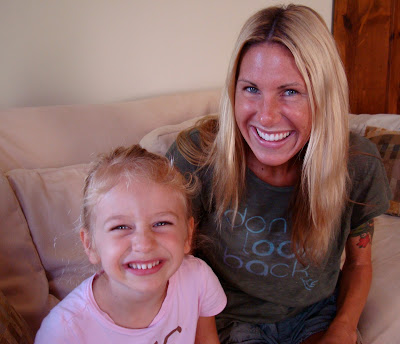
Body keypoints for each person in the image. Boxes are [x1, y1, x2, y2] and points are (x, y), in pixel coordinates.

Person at [167, 4, 391, 344]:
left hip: (315, 314)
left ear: (323, 97)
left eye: (290, 92)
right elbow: (174, 266)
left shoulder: (358, 163)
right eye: (251, 89)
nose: (266, 117)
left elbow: (358, 264)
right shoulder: (197, 158)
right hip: (228, 317)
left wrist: (343, 329)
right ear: (233, 90)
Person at [35, 145, 227, 344]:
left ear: (188, 235)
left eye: (161, 223)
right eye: (121, 227)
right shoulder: (63, 332)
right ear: (90, 244)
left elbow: (206, 339)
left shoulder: (198, 279)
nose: (144, 244)